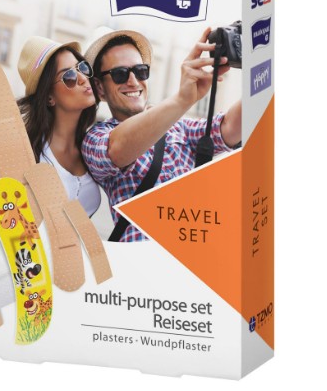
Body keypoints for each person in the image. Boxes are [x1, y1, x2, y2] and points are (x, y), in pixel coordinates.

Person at [81, 29, 242, 241]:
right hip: (147, 260)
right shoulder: (95, 138)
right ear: (100, 88)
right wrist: (182, 99)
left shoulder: (178, 126)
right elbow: (117, 148)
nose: (133, 81)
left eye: (140, 71)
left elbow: (229, 128)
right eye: (120, 74)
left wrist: (263, 68)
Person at [17, 36, 101, 217]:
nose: (83, 78)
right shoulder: (28, 152)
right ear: (49, 97)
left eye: (82, 68)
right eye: (68, 76)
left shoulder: (93, 147)